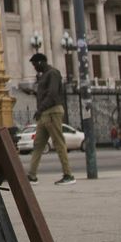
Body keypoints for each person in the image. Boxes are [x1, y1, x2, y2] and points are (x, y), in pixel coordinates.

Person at [22, 53, 75, 185]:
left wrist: (40, 109)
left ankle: (68, 174)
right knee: (38, 145)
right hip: (44, 114)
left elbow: (52, 94)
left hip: (52, 112)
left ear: (40, 62)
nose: (34, 68)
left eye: (35, 65)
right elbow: (46, 94)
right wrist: (32, 93)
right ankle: (32, 175)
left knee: (58, 143)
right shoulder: (45, 75)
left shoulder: (53, 73)